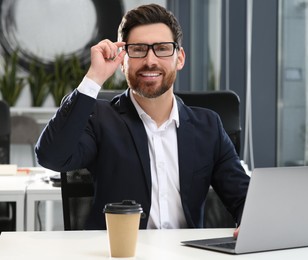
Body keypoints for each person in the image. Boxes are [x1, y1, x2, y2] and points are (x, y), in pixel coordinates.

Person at [35, 4, 249, 232]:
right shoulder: (101, 119)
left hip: (186, 253)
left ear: (180, 58)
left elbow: (244, 197)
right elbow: (51, 157)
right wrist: (94, 78)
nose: (150, 60)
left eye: (163, 48)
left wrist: (249, 222)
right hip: (120, 253)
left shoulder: (208, 127)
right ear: (122, 60)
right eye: (138, 49)